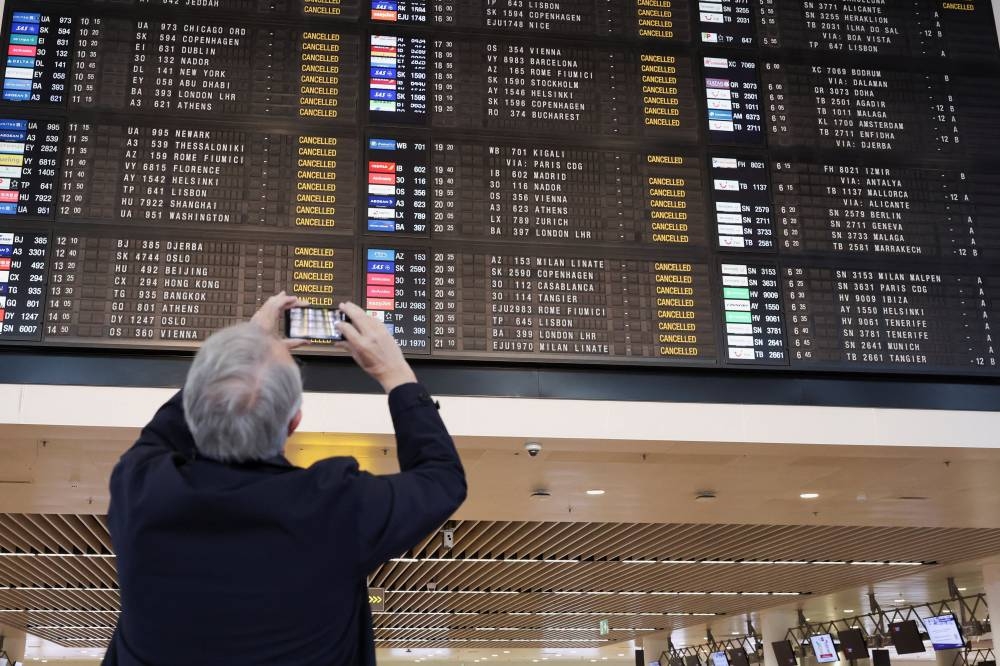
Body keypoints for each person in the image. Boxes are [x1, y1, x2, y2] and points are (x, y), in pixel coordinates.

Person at [103, 294, 467, 665]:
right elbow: (442, 479)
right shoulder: (335, 509)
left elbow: (165, 431)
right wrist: (396, 373)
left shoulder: (142, 492)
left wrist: (242, 353)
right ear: (295, 422)